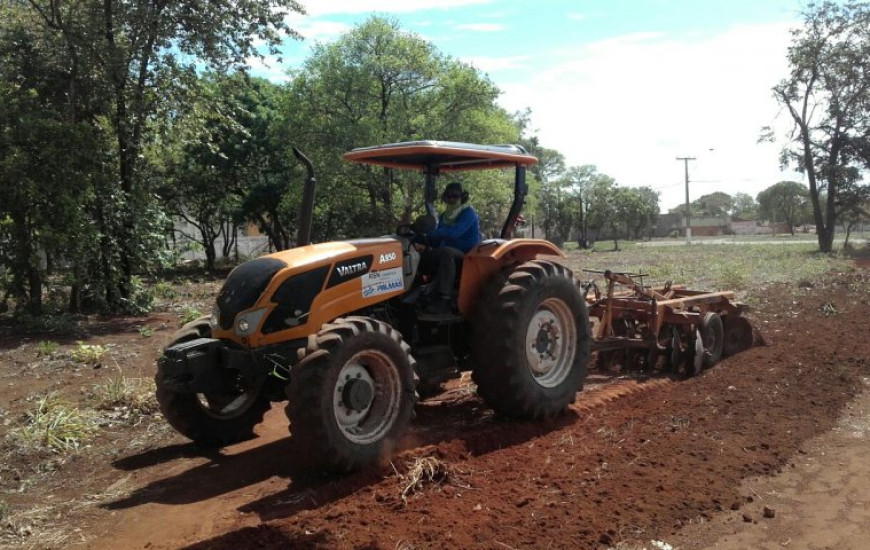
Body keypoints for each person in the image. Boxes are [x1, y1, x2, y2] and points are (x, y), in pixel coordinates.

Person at [417, 181, 481, 315]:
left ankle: (444, 300)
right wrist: (418, 236)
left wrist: (431, 233)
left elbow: (454, 233)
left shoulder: (468, 213)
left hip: (467, 255)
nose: (451, 199)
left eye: (455, 196)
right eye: (449, 196)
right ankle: (418, 292)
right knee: (416, 256)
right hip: (447, 253)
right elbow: (435, 239)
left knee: (446, 253)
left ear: (462, 198)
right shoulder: (444, 216)